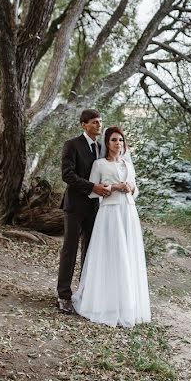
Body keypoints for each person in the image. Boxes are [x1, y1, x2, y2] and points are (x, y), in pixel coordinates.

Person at [72, 126, 151, 327]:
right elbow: (92, 191)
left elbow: (135, 189)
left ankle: (126, 303)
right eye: (114, 140)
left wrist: (131, 188)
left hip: (129, 213)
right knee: (111, 255)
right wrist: (115, 187)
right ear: (107, 143)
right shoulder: (99, 165)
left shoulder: (128, 165)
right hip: (110, 213)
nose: (118, 144)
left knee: (128, 255)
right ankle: (104, 302)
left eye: (121, 140)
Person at [56, 108, 111, 314]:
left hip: (95, 208)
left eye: (100, 121)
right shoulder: (72, 145)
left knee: (89, 252)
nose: (99, 125)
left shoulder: (101, 148)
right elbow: (67, 175)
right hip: (75, 207)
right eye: (95, 122)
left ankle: (84, 293)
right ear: (84, 124)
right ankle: (63, 295)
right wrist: (92, 187)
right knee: (69, 250)